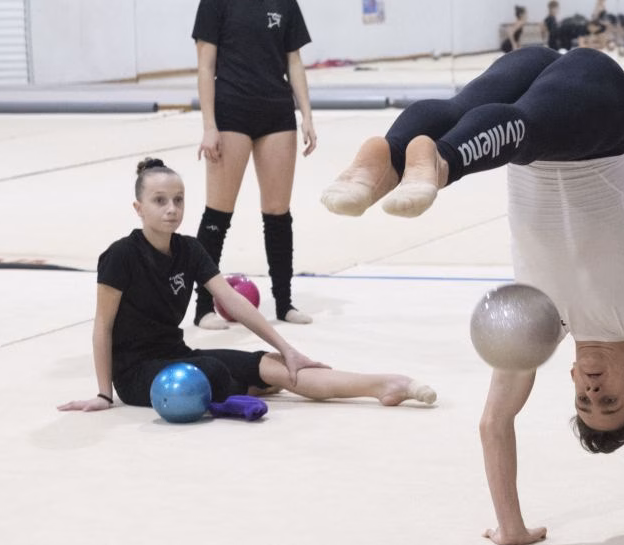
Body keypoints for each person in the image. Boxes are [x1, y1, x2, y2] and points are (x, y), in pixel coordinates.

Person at [318, 47, 624, 545]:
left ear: (569, 382)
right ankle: (439, 164)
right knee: (525, 128)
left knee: (463, 113)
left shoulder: (536, 328)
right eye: (608, 399)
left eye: (584, 400)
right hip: (599, 103)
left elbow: (493, 423)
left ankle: (383, 159)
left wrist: (511, 527)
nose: (592, 389)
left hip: (529, 93)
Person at [58, 159, 437, 415]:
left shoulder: (189, 249)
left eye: (178, 200)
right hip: (138, 375)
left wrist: (287, 348)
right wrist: (104, 393)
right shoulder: (120, 256)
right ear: (138, 208)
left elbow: (231, 300)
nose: (171, 209)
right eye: (159, 201)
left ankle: (383, 384)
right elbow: (102, 327)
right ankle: (250, 388)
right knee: (217, 367)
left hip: (177, 356)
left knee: (273, 364)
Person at [192, 0, 317, 330]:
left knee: (278, 212)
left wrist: (307, 114)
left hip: (276, 116)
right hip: (231, 115)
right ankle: (204, 307)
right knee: (217, 213)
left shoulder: (284, 2)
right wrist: (208, 125)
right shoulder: (215, 1)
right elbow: (205, 67)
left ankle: (284, 303)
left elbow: (294, 63)